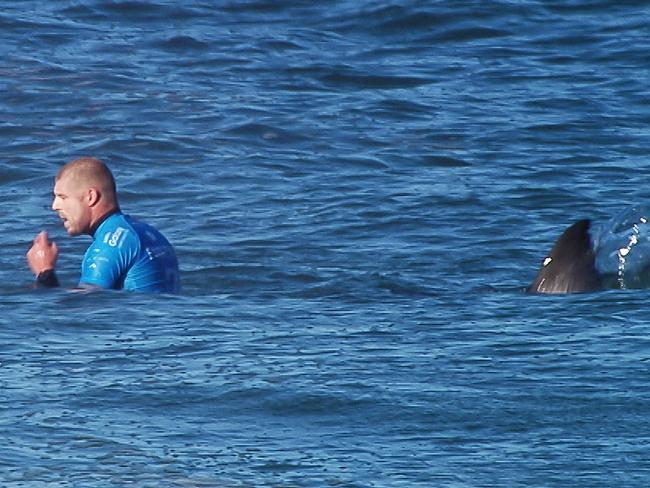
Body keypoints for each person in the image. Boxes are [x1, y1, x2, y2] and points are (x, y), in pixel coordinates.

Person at [26, 157, 180, 293]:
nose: (54, 206)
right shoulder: (147, 233)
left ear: (91, 197)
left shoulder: (108, 245)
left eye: (62, 197)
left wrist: (45, 272)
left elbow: (82, 310)